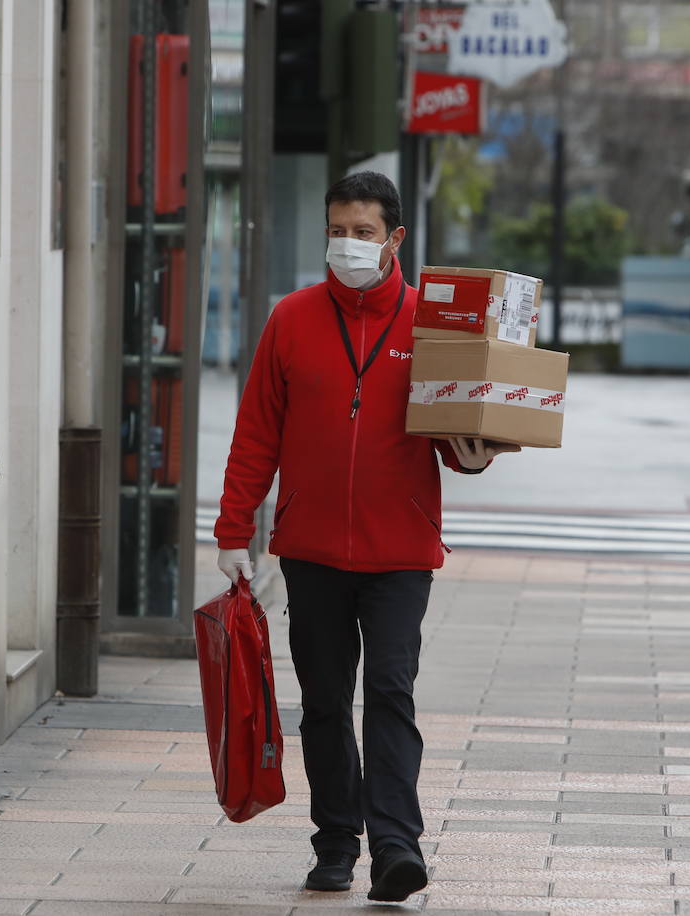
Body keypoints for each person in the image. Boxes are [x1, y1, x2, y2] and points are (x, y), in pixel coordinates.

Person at [214, 172, 517, 902]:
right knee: (323, 701)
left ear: (395, 240)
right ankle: (334, 840)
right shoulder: (291, 319)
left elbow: (457, 439)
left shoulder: (433, 325)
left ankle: (395, 845)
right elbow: (256, 433)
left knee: (389, 691)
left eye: (363, 232)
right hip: (311, 550)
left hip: (400, 552)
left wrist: (475, 452)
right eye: (338, 230)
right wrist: (233, 529)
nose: (347, 244)